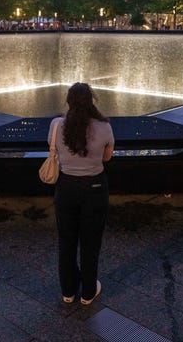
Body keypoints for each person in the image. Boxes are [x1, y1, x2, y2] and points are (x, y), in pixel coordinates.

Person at [48, 82, 114, 305]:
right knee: (90, 243)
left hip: (66, 187)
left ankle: (67, 292)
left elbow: (53, 150)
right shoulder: (104, 126)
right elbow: (107, 158)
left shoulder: (57, 125)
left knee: (66, 242)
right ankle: (87, 293)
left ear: (68, 102)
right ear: (91, 101)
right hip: (95, 188)